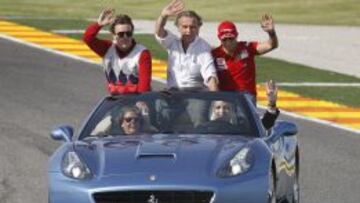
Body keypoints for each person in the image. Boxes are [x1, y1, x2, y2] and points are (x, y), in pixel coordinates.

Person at [83, 8, 152, 94]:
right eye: (121, 34)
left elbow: (144, 88)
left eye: (128, 33)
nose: (125, 37)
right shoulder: (107, 49)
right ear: (113, 35)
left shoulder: (142, 53)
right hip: (115, 101)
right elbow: (88, 38)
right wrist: (99, 24)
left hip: (136, 101)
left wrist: (140, 104)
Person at [211, 15, 278, 102]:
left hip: (247, 98)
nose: (228, 42)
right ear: (219, 38)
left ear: (237, 35)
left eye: (231, 38)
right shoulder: (214, 54)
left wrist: (271, 33)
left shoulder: (247, 47)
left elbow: (271, 45)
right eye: (225, 39)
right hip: (225, 99)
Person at [155, 0, 218, 91]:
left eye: (192, 27)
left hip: (195, 94)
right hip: (173, 92)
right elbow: (159, 32)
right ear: (178, 27)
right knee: (157, 103)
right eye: (185, 27)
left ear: (198, 28)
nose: (188, 31)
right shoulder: (172, 42)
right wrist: (163, 16)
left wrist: (217, 100)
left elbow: (210, 76)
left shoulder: (204, 48)